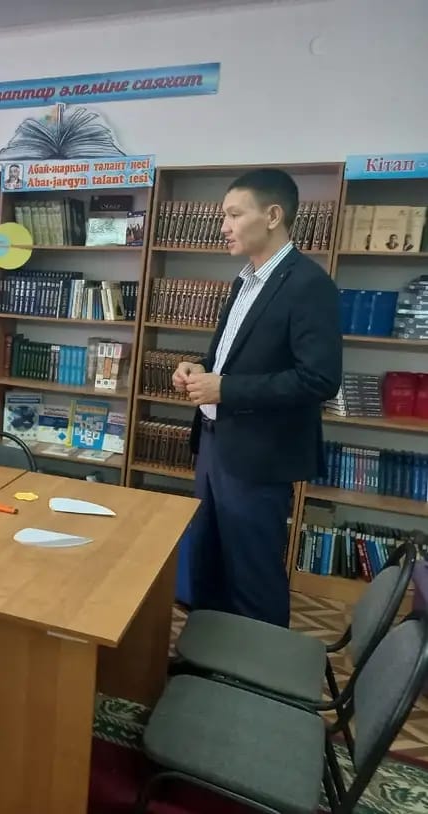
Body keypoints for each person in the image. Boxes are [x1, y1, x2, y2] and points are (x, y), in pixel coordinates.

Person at [172, 168, 341, 628]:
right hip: (214, 443)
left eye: (233, 215)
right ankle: (206, 655)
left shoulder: (309, 284)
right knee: (207, 560)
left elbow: (319, 379)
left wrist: (225, 388)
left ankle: (259, 668)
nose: (223, 226)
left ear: (272, 215)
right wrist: (198, 370)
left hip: (259, 456)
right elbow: (230, 360)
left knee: (252, 575)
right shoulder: (244, 281)